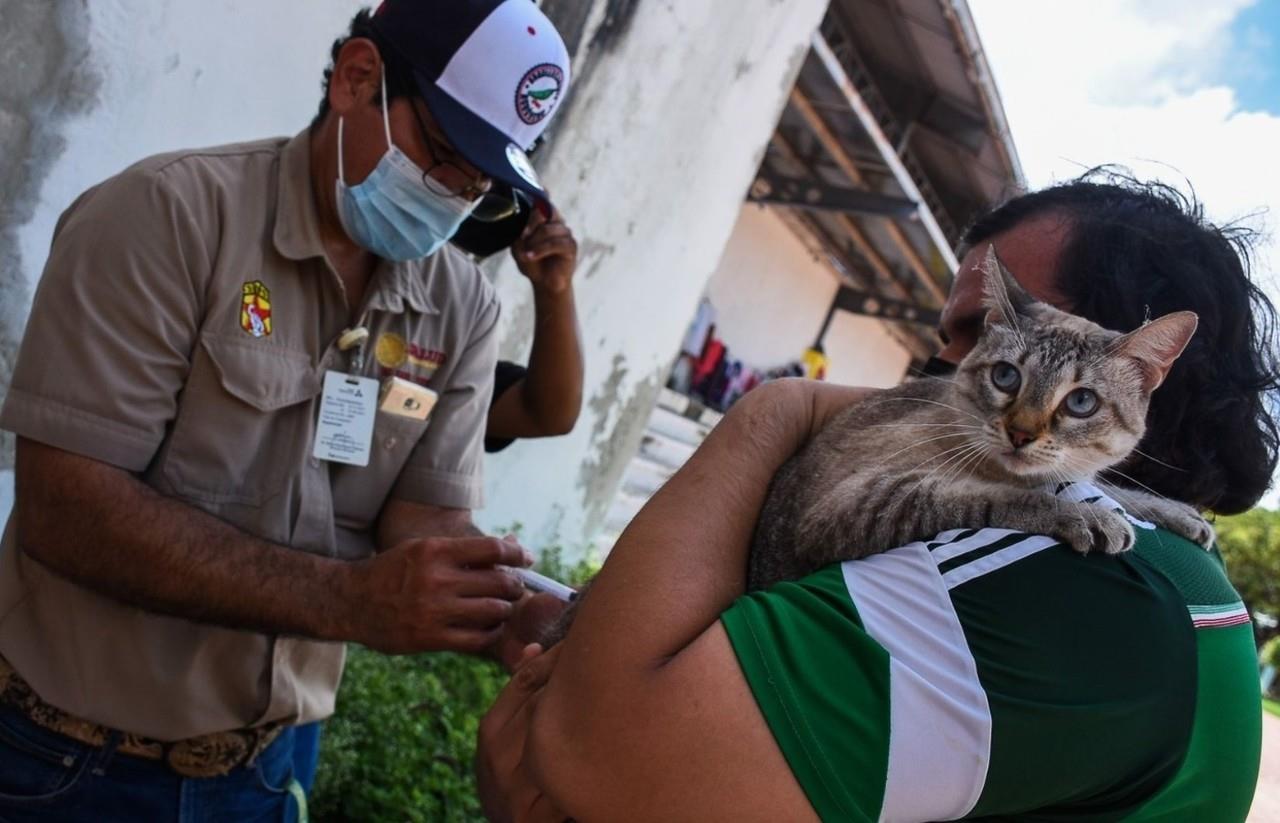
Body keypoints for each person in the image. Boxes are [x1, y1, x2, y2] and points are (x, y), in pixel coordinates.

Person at [476, 171, 1280, 821]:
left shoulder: (1071, 575)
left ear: (1115, 357)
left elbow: (597, 750)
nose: (942, 364)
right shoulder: (1184, 585)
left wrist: (779, 407)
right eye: (966, 341)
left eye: (976, 333)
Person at [0, 1, 577, 819]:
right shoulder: (168, 218)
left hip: (269, 766)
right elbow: (65, 508)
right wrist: (347, 600)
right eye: (443, 156)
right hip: (65, 758)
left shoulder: (460, 309)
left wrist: (507, 609)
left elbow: (423, 520)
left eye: (479, 186)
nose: (452, 197)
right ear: (356, 78)